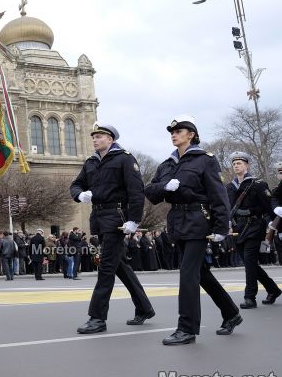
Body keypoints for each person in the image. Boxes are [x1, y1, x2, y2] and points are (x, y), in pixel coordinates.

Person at [145, 115, 241, 345]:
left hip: (199, 219)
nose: (174, 134)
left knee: (188, 273)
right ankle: (231, 313)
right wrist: (164, 187)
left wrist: (222, 226)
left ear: (191, 135)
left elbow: (218, 194)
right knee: (200, 273)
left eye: (178, 131)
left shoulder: (205, 160)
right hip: (177, 222)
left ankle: (186, 328)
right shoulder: (167, 164)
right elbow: (151, 192)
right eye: (172, 132)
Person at [70, 123, 155, 334]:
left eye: (99, 136)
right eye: (93, 136)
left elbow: (136, 191)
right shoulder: (91, 162)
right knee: (119, 266)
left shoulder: (124, 159)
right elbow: (76, 184)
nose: (95, 139)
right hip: (99, 218)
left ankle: (97, 317)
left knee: (106, 267)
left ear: (110, 139)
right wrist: (80, 194)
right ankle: (144, 308)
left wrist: (134, 220)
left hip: (117, 218)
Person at [227, 151, 281, 307]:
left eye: (239, 163)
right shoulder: (230, 187)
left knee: (250, 262)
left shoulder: (257, 184)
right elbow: (227, 208)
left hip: (254, 227)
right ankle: (273, 289)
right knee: (250, 264)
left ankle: (250, 297)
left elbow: (269, 207)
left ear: (247, 166)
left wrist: (273, 225)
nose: (236, 166)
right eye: (234, 164)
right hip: (238, 228)